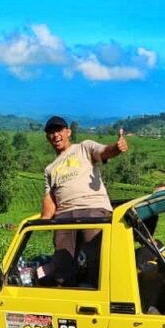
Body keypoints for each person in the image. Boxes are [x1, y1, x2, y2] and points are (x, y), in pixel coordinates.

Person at [36, 115, 128, 286]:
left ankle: (102, 293)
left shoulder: (84, 148)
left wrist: (116, 147)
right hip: (64, 216)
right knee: (62, 264)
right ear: (47, 137)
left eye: (59, 130)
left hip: (91, 208)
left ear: (68, 132)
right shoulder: (50, 169)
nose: (55, 135)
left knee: (97, 258)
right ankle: (66, 294)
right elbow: (50, 197)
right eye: (51, 132)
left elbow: (103, 151)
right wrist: (45, 219)